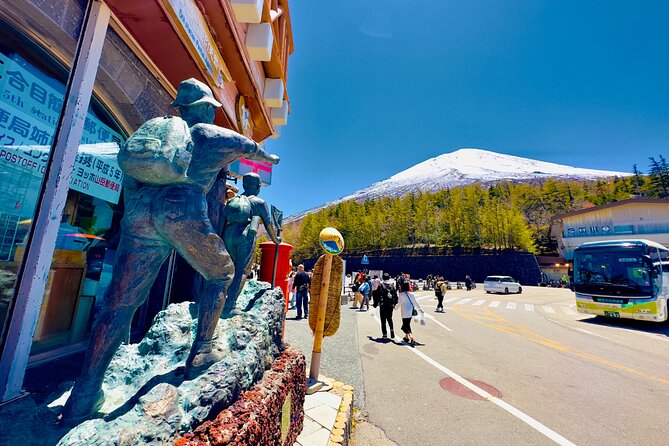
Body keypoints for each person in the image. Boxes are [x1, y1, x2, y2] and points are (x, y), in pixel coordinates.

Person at [62, 78, 280, 422]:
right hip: (182, 208)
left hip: (140, 212)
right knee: (221, 272)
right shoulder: (210, 135)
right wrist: (269, 156)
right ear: (207, 108)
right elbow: (253, 149)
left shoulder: (156, 135)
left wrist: (135, 218)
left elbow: (131, 179)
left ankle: (84, 394)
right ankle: (203, 350)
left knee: (119, 302)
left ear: (180, 108)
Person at [220, 172, 280, 314]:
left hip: (228, 234)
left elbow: (222, 220)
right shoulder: (259, 202)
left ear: (244, 185)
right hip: (245, 235)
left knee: (225, 269)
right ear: (257, 187)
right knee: (242, 271)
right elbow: (268, 224)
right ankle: (230, 306)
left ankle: (217, 302)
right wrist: (276, 240)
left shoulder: (233, 201)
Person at [372, 273, 398, 338]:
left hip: (383, 305)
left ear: (383, 278)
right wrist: (395, 303)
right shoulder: (392, 285)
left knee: (383, 320)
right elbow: (395, 295)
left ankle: (385, 334)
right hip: (390, 305)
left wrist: (375, 304)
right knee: (389, 318)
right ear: (389, 278)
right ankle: (392, 331)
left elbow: (377, 295)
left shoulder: (381, 285)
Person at [398, 281, 423, 346]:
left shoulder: (401, 295)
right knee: (407, 324)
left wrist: (395, 308)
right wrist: (419, 308)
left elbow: (399, 303)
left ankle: (411, 337)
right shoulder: (412, 294)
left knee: (405, 326)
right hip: (410, 312)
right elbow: (416, 302)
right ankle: (406, 337)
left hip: (404, 312)